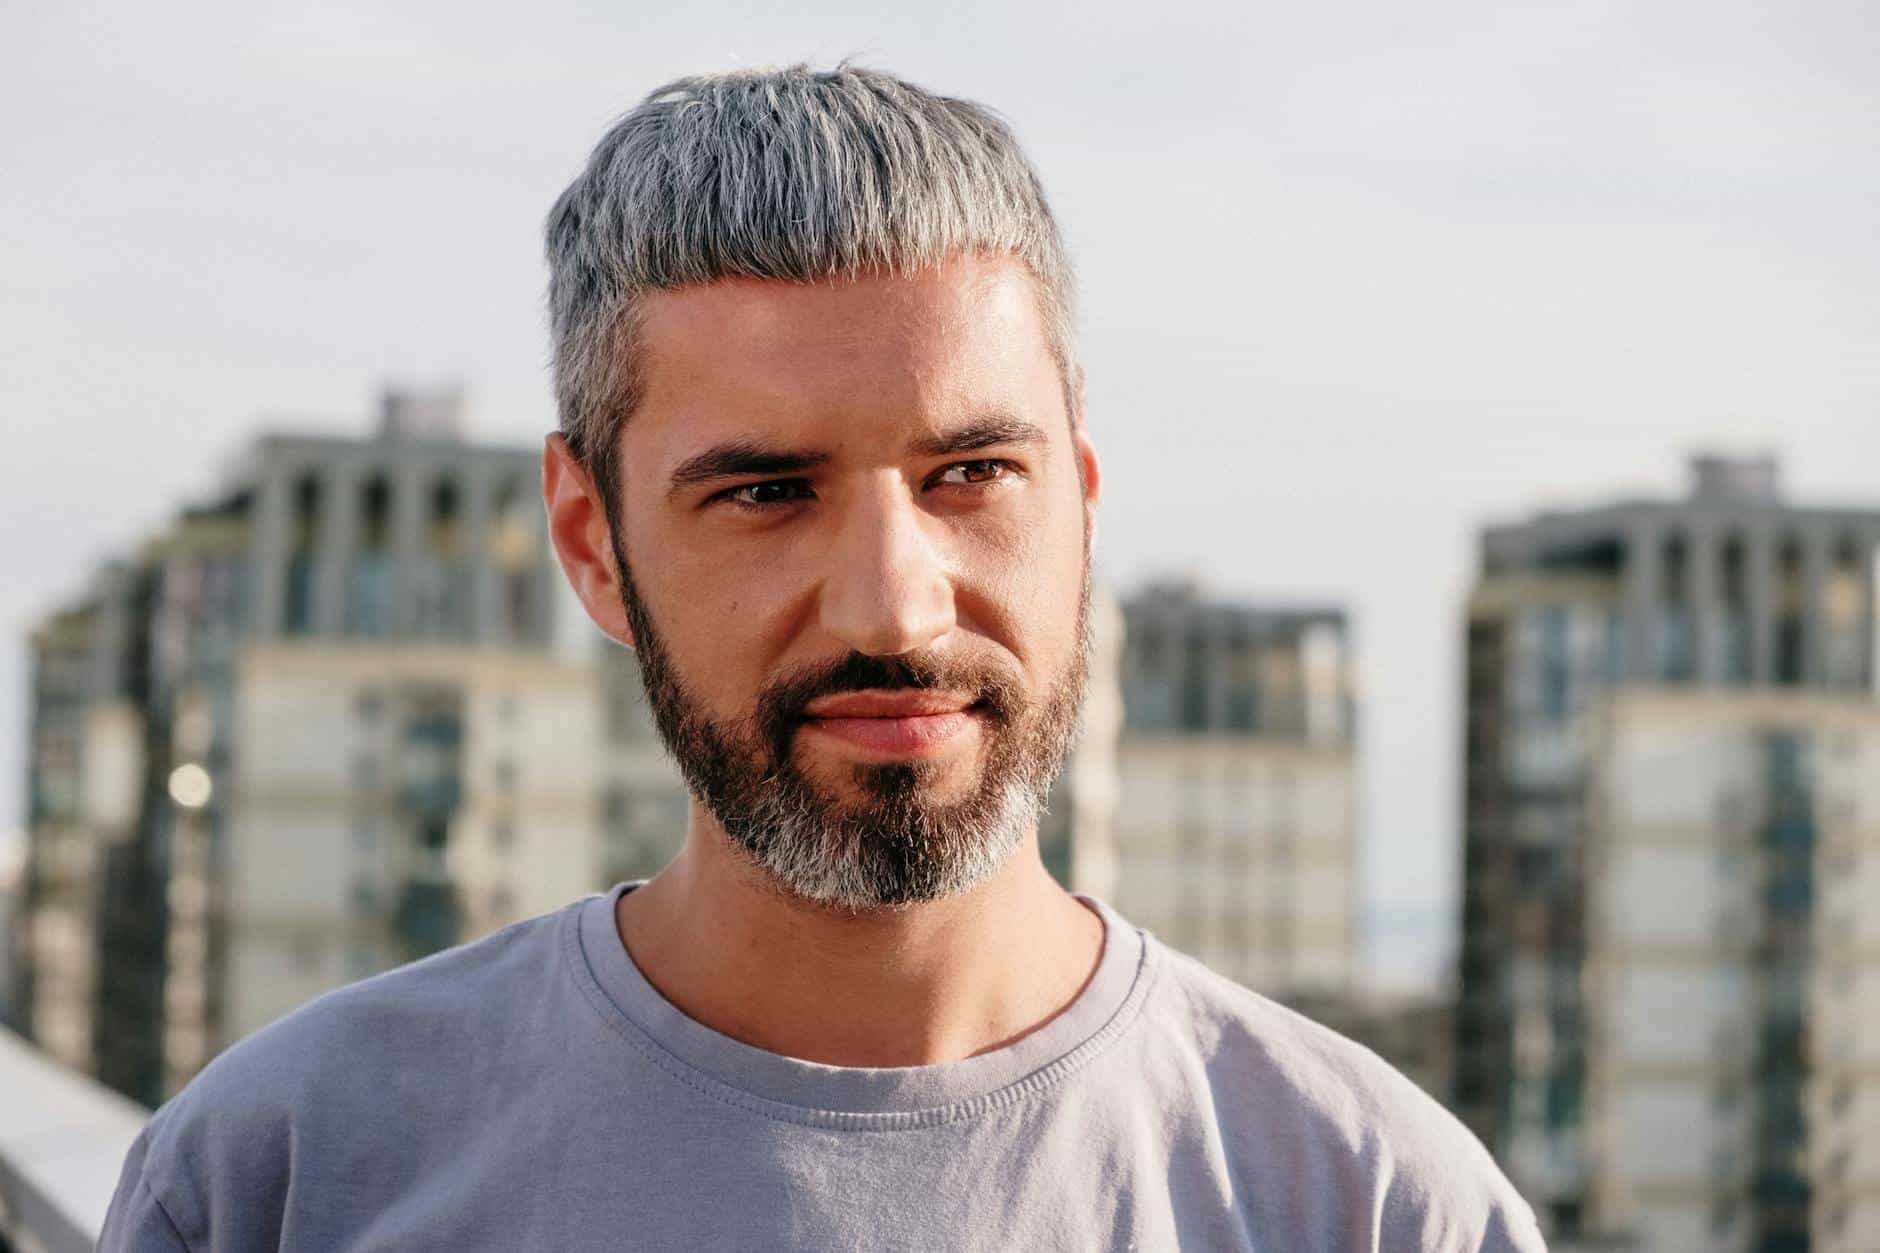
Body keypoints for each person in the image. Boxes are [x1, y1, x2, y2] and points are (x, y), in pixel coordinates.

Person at [100, 64, 1545, 1252]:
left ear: (1085, 505)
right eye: (766, 492)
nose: (894, 612)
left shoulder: (1375, 1206)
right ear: (592, 542)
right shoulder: (283, 1179)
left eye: (971, 474)